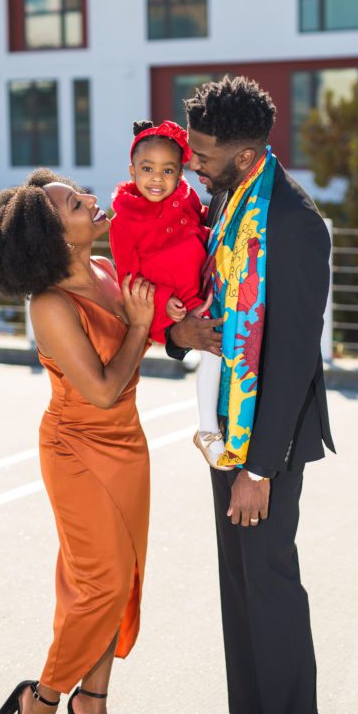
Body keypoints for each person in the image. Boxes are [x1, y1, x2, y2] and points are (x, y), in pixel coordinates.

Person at [165, 76, 335, 714]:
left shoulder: (296, 224)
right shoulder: (229, 199)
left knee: (269, 581)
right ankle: (254, 711)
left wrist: (260, 469)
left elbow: (295, 358)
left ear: (244, 151)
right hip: (224, 427)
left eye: (203, 153)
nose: (192, 163)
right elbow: (205, 294)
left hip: (270, 438)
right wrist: (178, 335)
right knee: (238, 578)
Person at [0, 168, 155, 714]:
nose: (92, 201)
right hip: (77, 448)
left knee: (119, 579)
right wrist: (138, 324)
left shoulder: (107, 272)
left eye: (82, 194)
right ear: (55, 239)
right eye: (76, 204)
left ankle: (95, 701)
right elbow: (103, 389)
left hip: (127, 443)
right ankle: (45, 696)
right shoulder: (51, 304)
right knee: (99, 586)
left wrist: (171, 326)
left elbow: (141, 344)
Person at [109, 119, 226, 467]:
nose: (157, 179)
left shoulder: (185, 196)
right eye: (147, 169)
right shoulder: (124, 221)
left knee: (232, 345)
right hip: (171, 304)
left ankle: (225, 417)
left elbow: (201, 218)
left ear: (180, 173)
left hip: (201, 284)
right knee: (214, 352)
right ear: (132, 170)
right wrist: (162, 299)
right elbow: (128, 279)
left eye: (168, 170)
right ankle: (207, 429)